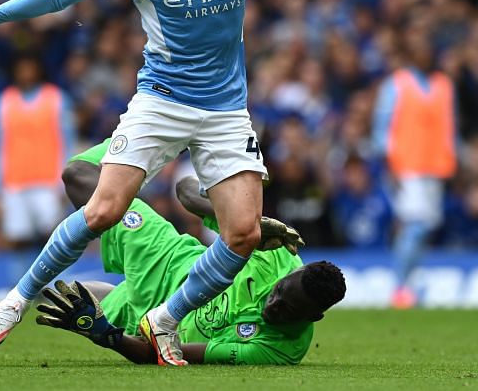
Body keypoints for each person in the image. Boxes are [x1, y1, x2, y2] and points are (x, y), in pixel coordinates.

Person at [0, 0, 410, 365]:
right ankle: (14, 301)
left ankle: (163, 321)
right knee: (102, 210)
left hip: (226, 111)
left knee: (243, 234)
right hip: (160, 101)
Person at [35, 139, 344, 365]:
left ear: (313, 317)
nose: (273, 305)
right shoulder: (276, 250)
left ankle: (44, 295)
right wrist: (245, 222)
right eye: (278, 293)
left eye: (287, 310)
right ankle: (145, 135)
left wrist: (106, 336)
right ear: (289, 274)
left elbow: (165, 352)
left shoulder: (280, 350)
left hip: (150, 321)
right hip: (166, 258)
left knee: (87, 301)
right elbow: (184, 189)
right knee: (78, 174)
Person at [372, 17, 457, 308]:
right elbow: (382, 129)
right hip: (406, 167)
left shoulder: (444, 85)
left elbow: (449, 127)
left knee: (425, 226)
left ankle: (409, 285)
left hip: (435, 167)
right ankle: (401, 287)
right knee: (415, 224)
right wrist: (388, 163)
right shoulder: (396, 85)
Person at [0, 54, 75, 247]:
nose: (26, 73)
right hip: (14, 183)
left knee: (52, 238)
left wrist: (65, 181)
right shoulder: (2, 103)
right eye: (21, 68)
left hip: (48, 182)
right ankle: (20, 278)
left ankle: (53, 278)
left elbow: (68, 142)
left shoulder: (57, 99)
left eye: (30, 67)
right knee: (17, 240)